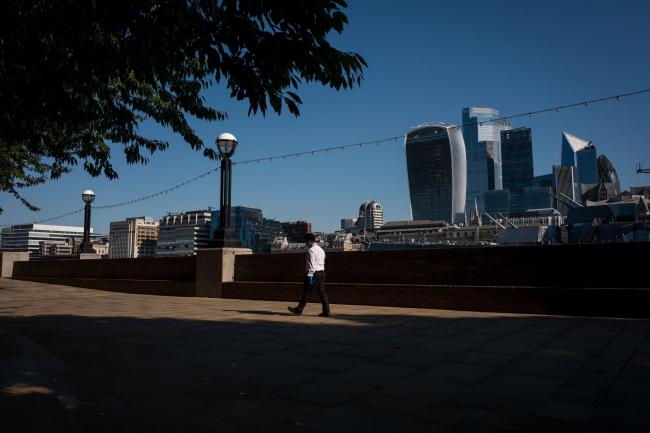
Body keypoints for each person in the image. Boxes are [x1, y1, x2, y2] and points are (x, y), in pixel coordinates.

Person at [288, 233, 330, 317]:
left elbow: (311, 265)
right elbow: (323, 262)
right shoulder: (321, 250)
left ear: (309, 241)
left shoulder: (311, 250)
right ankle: (326, 311)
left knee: (307, 292)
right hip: (322, 273)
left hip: (314, 274)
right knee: (322, 293)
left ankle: (299, 310)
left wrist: (309, 276)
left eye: (306, 242)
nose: (306, 244)